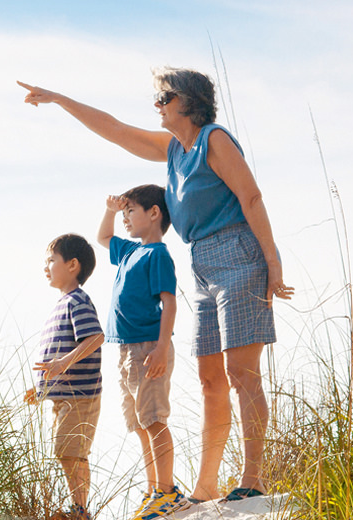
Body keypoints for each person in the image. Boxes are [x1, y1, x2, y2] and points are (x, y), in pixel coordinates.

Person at [21, 68, 294, 504]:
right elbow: (114, 129)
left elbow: (252, 197)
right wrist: (59, 99)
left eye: (163, 99)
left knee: (241, 374)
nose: (156, 107)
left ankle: (254, 477)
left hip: (239, 254)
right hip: (202, 261)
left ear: (187, 102)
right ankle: (207, 487)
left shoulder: (213, 141)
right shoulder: (172, 150)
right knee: (210, 379)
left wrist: (272, 260)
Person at [96, 185, 186, 519]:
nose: (124, 219)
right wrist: (110, 209)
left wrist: (162, 348)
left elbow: (169, 302)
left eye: (130, 211)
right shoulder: (130, 251)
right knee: (138, 423)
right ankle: (153, 490)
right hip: (125, 349)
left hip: (149, 348)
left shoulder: (157, 255)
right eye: (123, 214)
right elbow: (103, 238)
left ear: (154, 213)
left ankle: (168, 492)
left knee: (154, 420)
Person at [24, 233, 105, 520]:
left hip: (80, 396)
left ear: (72, 265)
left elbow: (95, 337)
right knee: (66, 451)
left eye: (51, 260)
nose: (46, 267)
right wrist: (41, 389)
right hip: (63, 397)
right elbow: (54, 358)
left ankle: (80, 511)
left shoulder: (77, 301)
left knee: (70, 451)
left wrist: (64, 362)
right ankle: (78, 508)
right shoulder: (60, 304)